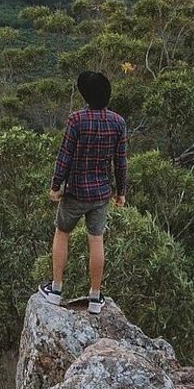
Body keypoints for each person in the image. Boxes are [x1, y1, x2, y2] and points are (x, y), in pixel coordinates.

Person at [39, 70, 127, 314]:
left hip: (76, 191)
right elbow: (121, 162)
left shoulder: (76, 120)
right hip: (101, 194)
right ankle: (96, 298)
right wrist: (121, 191)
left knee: (62, 232)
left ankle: (55, 290)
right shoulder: (118, 122)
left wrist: (56, 186)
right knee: (96, 240)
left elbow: (64, 157)